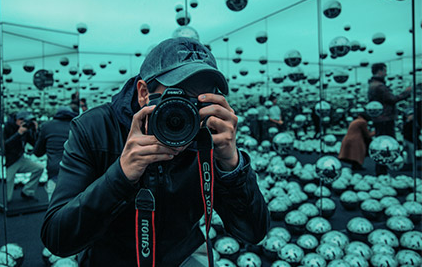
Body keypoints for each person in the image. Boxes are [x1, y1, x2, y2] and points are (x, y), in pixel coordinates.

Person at [41, 37, 269, 266]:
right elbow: (58, 238)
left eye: (200, 100)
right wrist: (120, 176)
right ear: (143, 93)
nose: (188, 112)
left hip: (183, 253)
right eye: (177, 97)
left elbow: (253, 233)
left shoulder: (209, 134)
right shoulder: (95, 129)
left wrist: (231, 165)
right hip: (111, 258)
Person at [368, 63, 412, 175]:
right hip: (385, 120)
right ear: (380, 71)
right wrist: (406, 92)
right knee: (386, 145)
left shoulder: (373, 85)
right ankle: (382, 171)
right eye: (385, 71)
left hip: (379, 119)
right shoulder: (379, 86)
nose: (386, 73)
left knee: (381, 144)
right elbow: (392, 99)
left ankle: (381, 170)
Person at [33, 106, 77, 201]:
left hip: (55, 171)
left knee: (54, 207)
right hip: (74, 171)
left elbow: (38, 152)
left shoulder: (47, 126)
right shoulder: (76, 125)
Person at [2, 110, 44, 202]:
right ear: (18, 120)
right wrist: (18, 133)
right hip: (10, 161)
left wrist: (36, 131)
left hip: (21, 159)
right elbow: (5, 147)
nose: (25, 123)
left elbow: (35, 144)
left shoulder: (25, 128)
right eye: (24, 121)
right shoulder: (7, 128)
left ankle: (27, 192)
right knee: (7, 199)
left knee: (39, 168)